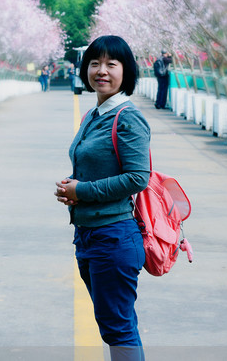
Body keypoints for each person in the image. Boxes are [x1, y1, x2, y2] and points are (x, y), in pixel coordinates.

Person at [54, 35, 149, 361]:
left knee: (117, 328)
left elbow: (138, 178)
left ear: (126, 70)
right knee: (117, 324)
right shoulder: (93, 115)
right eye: (95, 63)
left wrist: (82, 191)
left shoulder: (127, 117)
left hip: (114, 237)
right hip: (90, 235)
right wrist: (75, 190)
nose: (101, 71)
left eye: (112, 63)